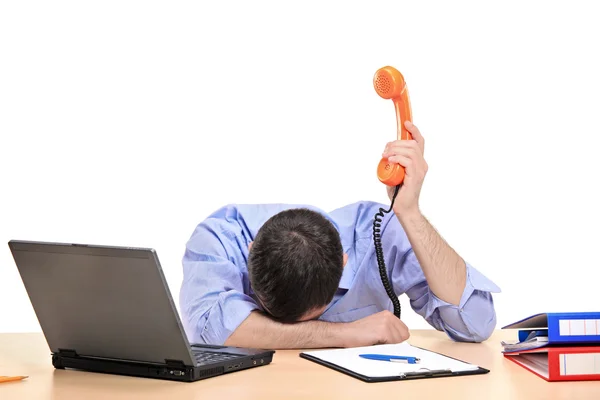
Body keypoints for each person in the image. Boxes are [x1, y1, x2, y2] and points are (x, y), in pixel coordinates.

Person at [179, 121, 500, 349]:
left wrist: (410, 214)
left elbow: (475, 323)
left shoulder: (379, 236)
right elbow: (208, 328)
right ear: (249, 252)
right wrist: (345, 334)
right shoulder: (219, 237)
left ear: (344, 263)